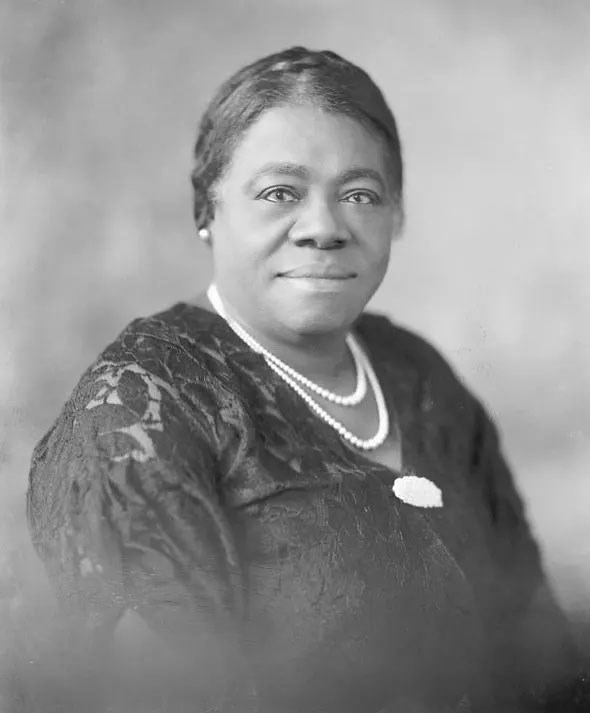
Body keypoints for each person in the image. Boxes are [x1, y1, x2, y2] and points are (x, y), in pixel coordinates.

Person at [27, 46, 584, 713]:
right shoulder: (143, 407)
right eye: (279, 193)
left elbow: (541, 645)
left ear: (396, 216)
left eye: (359, 194)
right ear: (207, 210)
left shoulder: (420, 375)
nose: (324, 227)